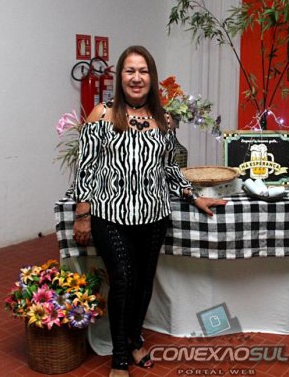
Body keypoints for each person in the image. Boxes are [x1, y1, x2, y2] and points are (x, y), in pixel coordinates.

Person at [72, 45, 226, 377]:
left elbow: (168, 167)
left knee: (143, 284)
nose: (137, 77)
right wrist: (82, 214)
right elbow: (85, 167)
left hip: (154, 216)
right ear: (120, 77)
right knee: (123, 281)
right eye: (130, 71)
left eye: (143, 71)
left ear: (152, 78)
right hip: (110, 215)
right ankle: (119, 356)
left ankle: (134, 339)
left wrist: (193, 196)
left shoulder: (163, 119)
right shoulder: (102, 114)